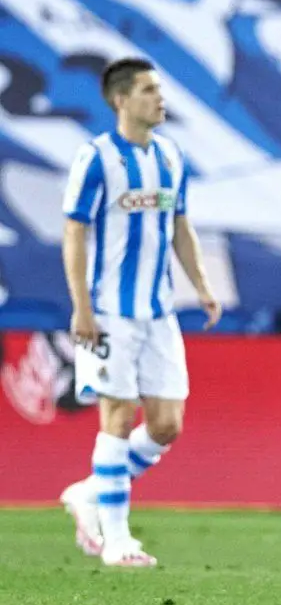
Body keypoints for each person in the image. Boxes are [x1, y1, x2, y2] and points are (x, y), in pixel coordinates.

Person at [59, 57, 221, 568]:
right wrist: (82, 307)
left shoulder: (171, 156)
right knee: (117, 415)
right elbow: (74, 232)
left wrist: (202, 285)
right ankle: (118, 541)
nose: (160, 98)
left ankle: (90, 493)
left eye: (159, 89)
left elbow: (180, 227)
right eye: (149, 90)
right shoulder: (96, 158)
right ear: (121, 100)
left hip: (159, 311)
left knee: (167, 425)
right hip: (110, 312)